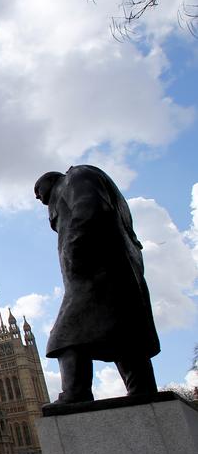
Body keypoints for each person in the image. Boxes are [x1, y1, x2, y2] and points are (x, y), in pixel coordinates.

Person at [34, 166, 160, 403]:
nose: (37, 197)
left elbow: (89, 208)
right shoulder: (88, 182)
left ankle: (75, 393)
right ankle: (143, 390)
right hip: (115, 272)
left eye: (38, 190)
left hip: (94, 272)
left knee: (65, 337)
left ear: (50, 180)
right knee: (126, 336)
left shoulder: (76, 177)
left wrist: (74, 249)